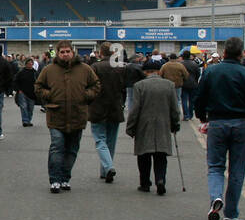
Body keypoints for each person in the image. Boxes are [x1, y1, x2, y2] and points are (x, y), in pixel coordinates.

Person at [194, 36, 245, 220]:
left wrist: (202, 117)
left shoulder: (211, 72)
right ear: (242, 54)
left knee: (216, 166)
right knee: (237, 169)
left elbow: (200, 97)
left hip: (217, 123)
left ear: (224, 52)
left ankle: (216, 197)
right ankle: (232, 211)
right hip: (240, 124)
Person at [33, 40, 101, 193]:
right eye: (62, 52)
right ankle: (55, 180)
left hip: (78, 115)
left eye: (67, 51)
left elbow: (96, 85)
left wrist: (85, 95)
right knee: (57, 147)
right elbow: (38, 86)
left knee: (72, 149)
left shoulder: (85, 69)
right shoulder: (49, 70)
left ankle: (65, 178)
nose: (65, 54)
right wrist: (49, 95)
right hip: (56, 115)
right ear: (57, 53)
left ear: (73, 52)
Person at [126, 59, 181, 194]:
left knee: (143, 155)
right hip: (163, 124)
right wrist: (175, 124)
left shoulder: (139, 85)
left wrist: (130, 127)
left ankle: (145, 183)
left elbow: (135, 109)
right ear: (159, 71)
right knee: (161, 156)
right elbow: (174, 108)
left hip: (144, 125)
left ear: (145, 72)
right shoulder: (169, 85)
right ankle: (160, 179)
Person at [89, 42, 126, 182]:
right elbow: (123, 87)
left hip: (98, 107)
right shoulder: (120, 67)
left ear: (101, 52)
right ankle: (105, 170)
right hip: (115, 107)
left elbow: (90, 86)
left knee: (100, 140)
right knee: (111, 141)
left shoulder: (95, 67)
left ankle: (108, 167)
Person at [14, 56, 39, 127]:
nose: (30, 64)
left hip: (32, 93)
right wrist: (18, 90)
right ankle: (25, 121)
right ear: (26, 64)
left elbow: (39, 82)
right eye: (28, 63)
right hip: (22, 93)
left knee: (30, 108)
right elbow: (15, 81)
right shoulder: (21, 72)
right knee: (23, 107)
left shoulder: (35, 73)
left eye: (31, 63)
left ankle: (29, 120)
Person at [180, 50, 202, 120]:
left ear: (183, 56)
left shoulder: (181, 64)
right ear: (190, 56)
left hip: (184, 84)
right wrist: (195, 80)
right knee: (191, 100)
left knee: (184, 100)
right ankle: (191, 115)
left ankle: (186, 115)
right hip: (193, 84)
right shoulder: (194, 64)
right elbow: (198, 74)